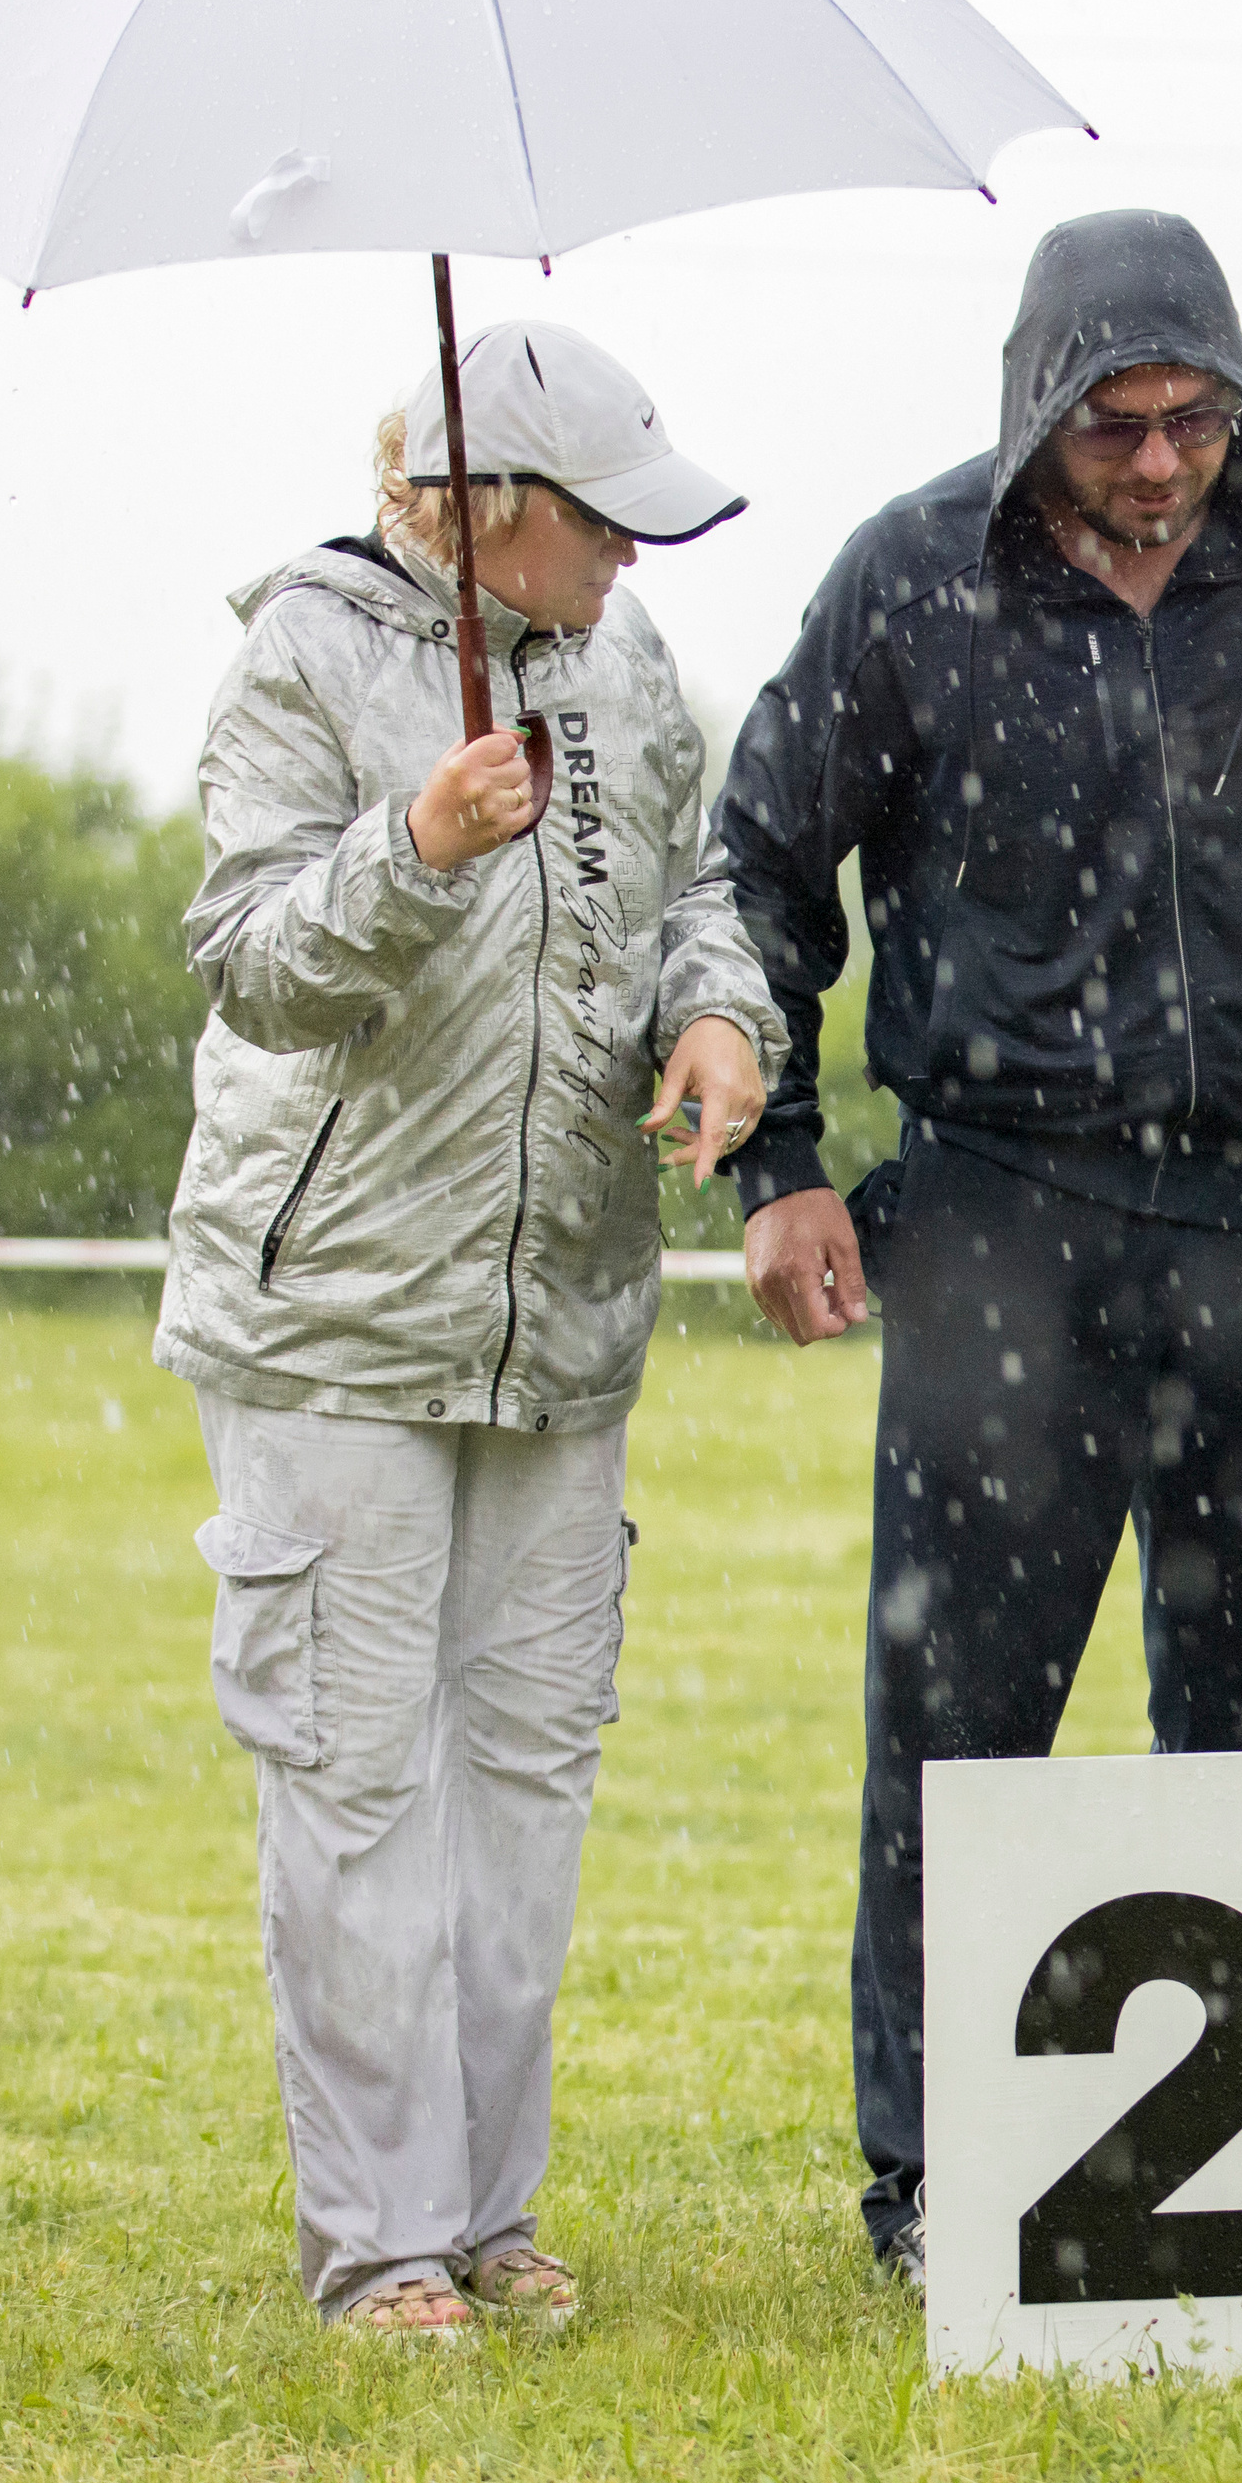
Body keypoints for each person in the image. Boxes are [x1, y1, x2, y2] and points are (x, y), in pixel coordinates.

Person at [713, 210, 1242, 2282]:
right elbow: (764, 860)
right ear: (1033, 408)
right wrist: (778, 1154)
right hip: (1000, 1208)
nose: (1157, 465)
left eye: (1192, 419)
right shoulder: (905, 582)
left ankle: (1233, 2175)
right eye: (1113, 426)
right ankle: (925, 2174)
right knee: (956, 1710)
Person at [154, 321, 785, 2334]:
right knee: (354, 1780)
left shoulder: (623, 662)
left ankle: (490, 2213)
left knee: (526, 1778)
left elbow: (690, 896)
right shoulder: (302, 654)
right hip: (332, 1318)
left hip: (568, 1316)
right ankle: (380, 2243)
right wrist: (412, 851)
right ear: (486, 503)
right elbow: (250, 963)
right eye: (606, 524)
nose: (631, 563)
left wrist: (718, 1014)